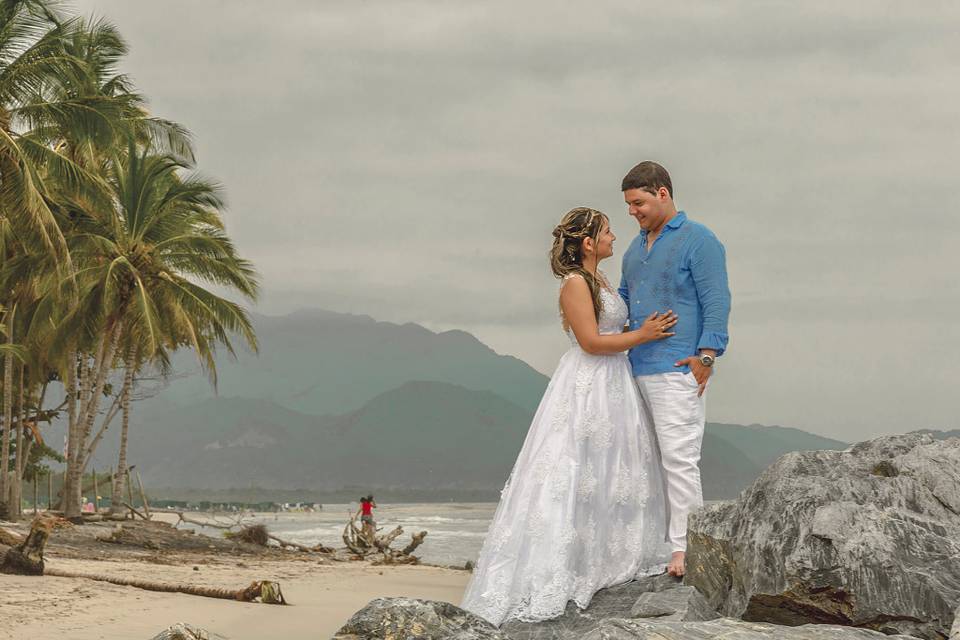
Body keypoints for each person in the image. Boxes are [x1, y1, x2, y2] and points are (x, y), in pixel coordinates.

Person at [461, 207, 675, 626]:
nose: (615, 236)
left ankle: (607, 554)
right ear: (588, 243)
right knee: (574, 468)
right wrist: (643, 335)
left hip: (615, 383)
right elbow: (592, 342)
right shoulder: (575, 284)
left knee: (611, 469)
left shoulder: (600, 280)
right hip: (590, 382)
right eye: (608, 232)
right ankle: (561, 567)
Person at [619, 161, 731, 577]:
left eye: (639, 202)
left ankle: (686, 548)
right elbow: (626, 300)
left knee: (679, 459)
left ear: (662, 193)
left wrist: (707, 355)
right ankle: (655, 547)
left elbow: (716, 299)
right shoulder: (634, 249)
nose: (633, 211)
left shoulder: (698, 239)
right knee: (646, 461)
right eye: (629, 205)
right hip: (634, 368)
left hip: (678, 365)